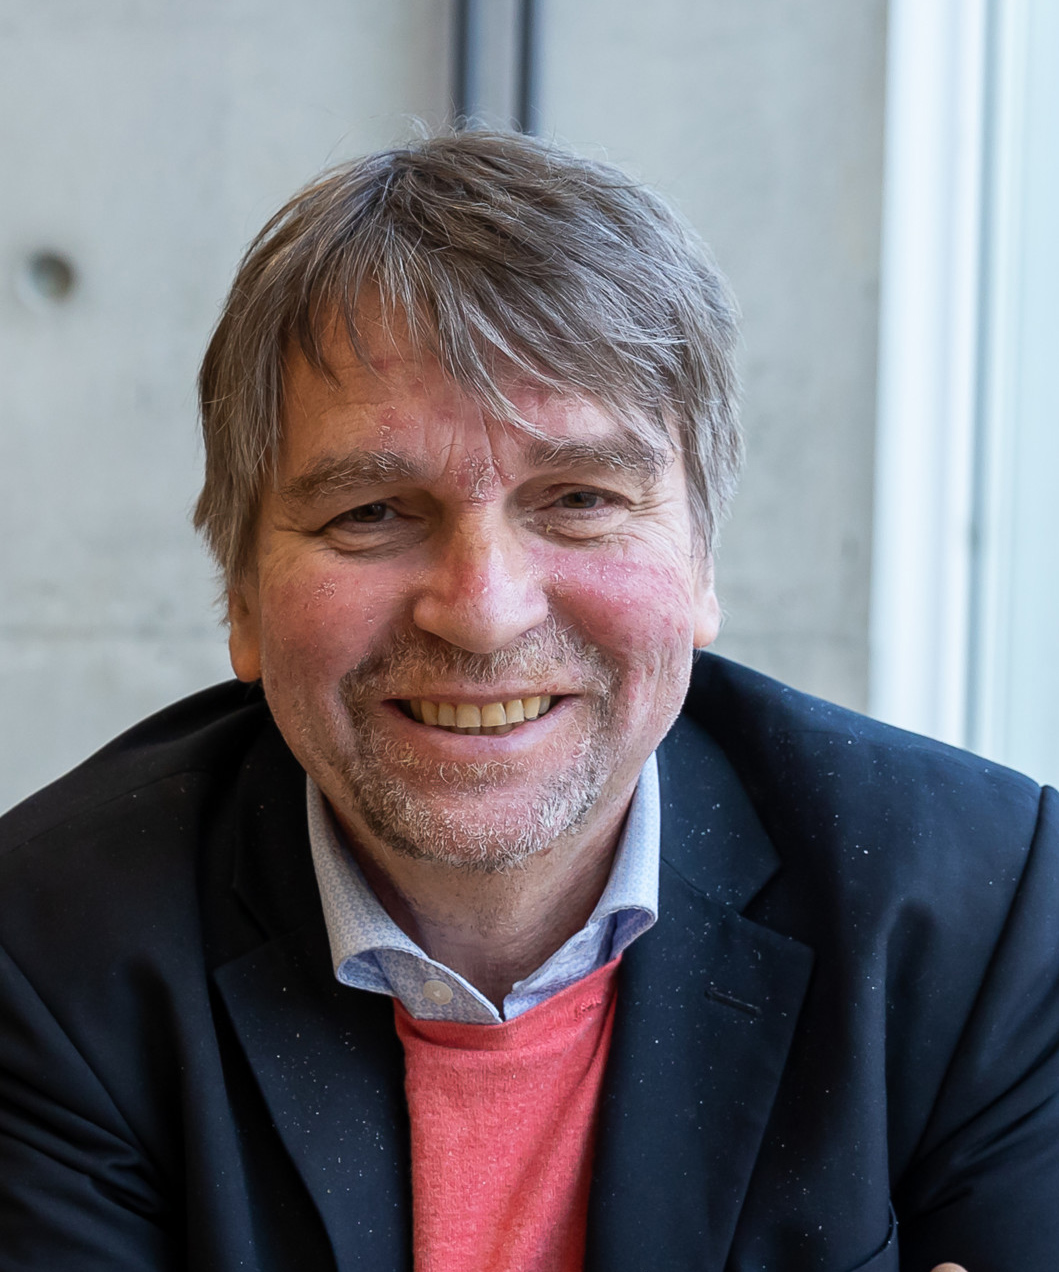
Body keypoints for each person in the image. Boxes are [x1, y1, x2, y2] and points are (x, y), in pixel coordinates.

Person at [0, 131, 1055, 1272]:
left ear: (701, 561)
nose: (483, 612)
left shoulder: (988, 912)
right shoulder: (45, 954)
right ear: (242, 597)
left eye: (580, 499)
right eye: (371, 514)